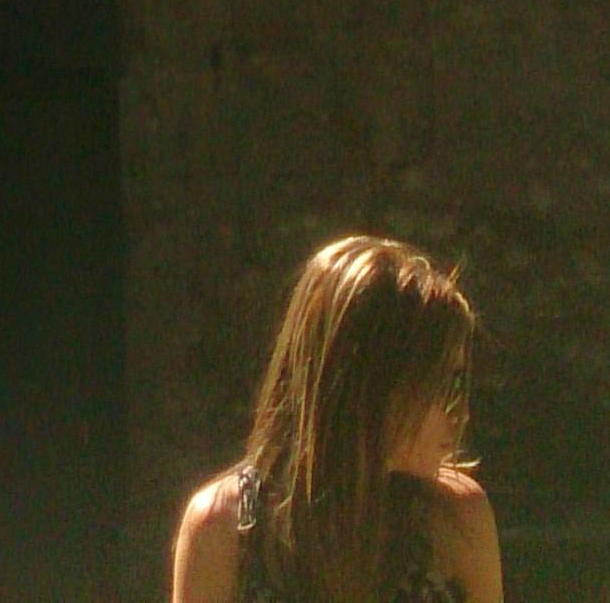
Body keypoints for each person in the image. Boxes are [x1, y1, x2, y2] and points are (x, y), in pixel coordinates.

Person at [172, 235, 503, 603]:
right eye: (438, 385)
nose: (459, 414)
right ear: (372, 386)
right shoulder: (224, 529)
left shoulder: (455, 520)